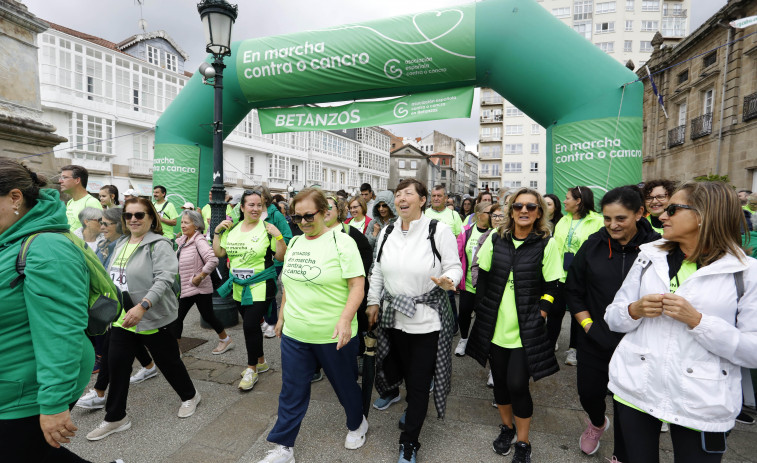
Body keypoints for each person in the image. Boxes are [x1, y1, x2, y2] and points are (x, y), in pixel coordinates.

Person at [605, 181, 757, 463]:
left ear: (703, 214)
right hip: (636, 387)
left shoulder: (746, 273)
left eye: (673, 209)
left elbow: (753, 350)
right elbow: (613, 317)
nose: (662, 215)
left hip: (701, 401)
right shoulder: (649, 257)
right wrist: (634, 309)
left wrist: (699, 322)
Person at [257, 188, 368, 463]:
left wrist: (345, 320)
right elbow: (290, 286)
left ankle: (357, 423)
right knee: (292, 389)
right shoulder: (294, 244)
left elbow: (357, 285)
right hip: (296, 333)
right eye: (297, 217)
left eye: (309, 215)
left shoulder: (342, 242)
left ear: (325, 212)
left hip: (332, 334)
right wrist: (282, 316)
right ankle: (284, 447)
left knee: (344, 385)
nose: (303, 222)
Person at [0, 158, 96, 462]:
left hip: (23, 391)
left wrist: (54, 405)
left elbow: (62, 331)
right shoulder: (10, 238)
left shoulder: (47, 250)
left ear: (15, 198)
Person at [87, 197, 200, 441]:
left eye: (140, 215)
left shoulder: (159, 245)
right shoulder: (121, 243)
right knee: (117, 366)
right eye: (129, 215)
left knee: (168, 362)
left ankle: (190, 395)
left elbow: (164, 279)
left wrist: (143, 306)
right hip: (122, 318)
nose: (134, 219)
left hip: (151, 317)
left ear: (151, 218)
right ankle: (115, 417)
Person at [367, 178, 462, 463]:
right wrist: (373, 301)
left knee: (419, 383)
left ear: (422, 200)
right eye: (398, 195)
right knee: (401, 368)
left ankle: (409, 442)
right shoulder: (386, 232)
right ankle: (407, 401)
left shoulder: (438, 229)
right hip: (393, 317)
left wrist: (449, 280)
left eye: (408, 193)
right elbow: (378, 271)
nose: (401, 198)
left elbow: (454, 266)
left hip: (426, 320)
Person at [466, 187, 561, 462]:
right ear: (510, 210)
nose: (524, 211)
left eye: (531, 207)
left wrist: (542, 312)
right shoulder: (497, 239)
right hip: (496, 326)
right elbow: (482, 275)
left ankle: (523, 441)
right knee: (501, 387)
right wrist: (483, 306)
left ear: (539, 213)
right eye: (518, 206)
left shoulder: (546, 243)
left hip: (525, 329)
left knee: (518, 384)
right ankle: (506, 428)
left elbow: (553, 283)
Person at [565, 186, 660, 456]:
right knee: (589, 394)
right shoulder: (593, 246)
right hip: (595, 338)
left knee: (627, 405)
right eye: (607, 218)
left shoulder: (658, 248)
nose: (612, 225)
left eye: (621, 218)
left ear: (640, 213)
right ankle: (596, 424)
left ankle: (620, 455)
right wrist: (588, 326)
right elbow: (574, 290)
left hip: (638, 342)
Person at [77, 207, 157, 411]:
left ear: (118, 226)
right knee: (121, 345)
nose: (102, 227)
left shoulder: (125, 245)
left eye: (106, 223)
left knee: (115, 349)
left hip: (134, 304)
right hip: (115, 304)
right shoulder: (105, 244)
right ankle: (148, 367)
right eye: (100, 223)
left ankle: (101, 393)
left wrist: (144, 304)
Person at [213, 190, 286, 391]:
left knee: (250, 326)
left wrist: (278, 236)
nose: (255, 209)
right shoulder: (233, 229)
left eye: (259, 205)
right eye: (251, 205)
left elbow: (280, 257)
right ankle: (261, 361)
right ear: (242, 208)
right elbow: (219, 252)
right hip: (238, 287)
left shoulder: (267, 228)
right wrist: (217, 232)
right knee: (251, 326)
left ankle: (251, 369)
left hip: (260, 286)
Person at [552, 186, 604, 365]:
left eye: (567, 198)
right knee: (554, 313)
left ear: (578, 201)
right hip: (559, 275)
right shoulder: (563, 221)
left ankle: (574, 350)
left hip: (582, 278)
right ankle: (549, 346)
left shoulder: (598, 221)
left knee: (578, 315)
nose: (564, 201)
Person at [174, 210, 232, 354]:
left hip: (198, 287)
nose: (182, 225)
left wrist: (199, 277)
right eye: (182, 222)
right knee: (207, 315)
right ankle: (225, 339)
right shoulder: (184, 241)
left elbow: (213, 260)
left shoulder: (199, 240)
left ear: (196, 224)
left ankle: (175, 351)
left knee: (178, 317)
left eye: (186, 222)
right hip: (188, 287)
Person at [455, 201, 492, 357]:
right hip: (468, 284)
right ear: (478, 215)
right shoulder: (466, 232)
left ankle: (486, 348)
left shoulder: (495, 233)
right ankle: (464, 339)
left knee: (485, 319)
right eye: (489, 213)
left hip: (487, 286)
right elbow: (457, 255)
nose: (491, 216)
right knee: (464, 312)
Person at [58, 164, 102, 231]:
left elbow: (97, 231)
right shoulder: (70, 202)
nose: (60, 181)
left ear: (77, 180)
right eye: (60, 178)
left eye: (65, 177)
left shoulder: (91, 202)